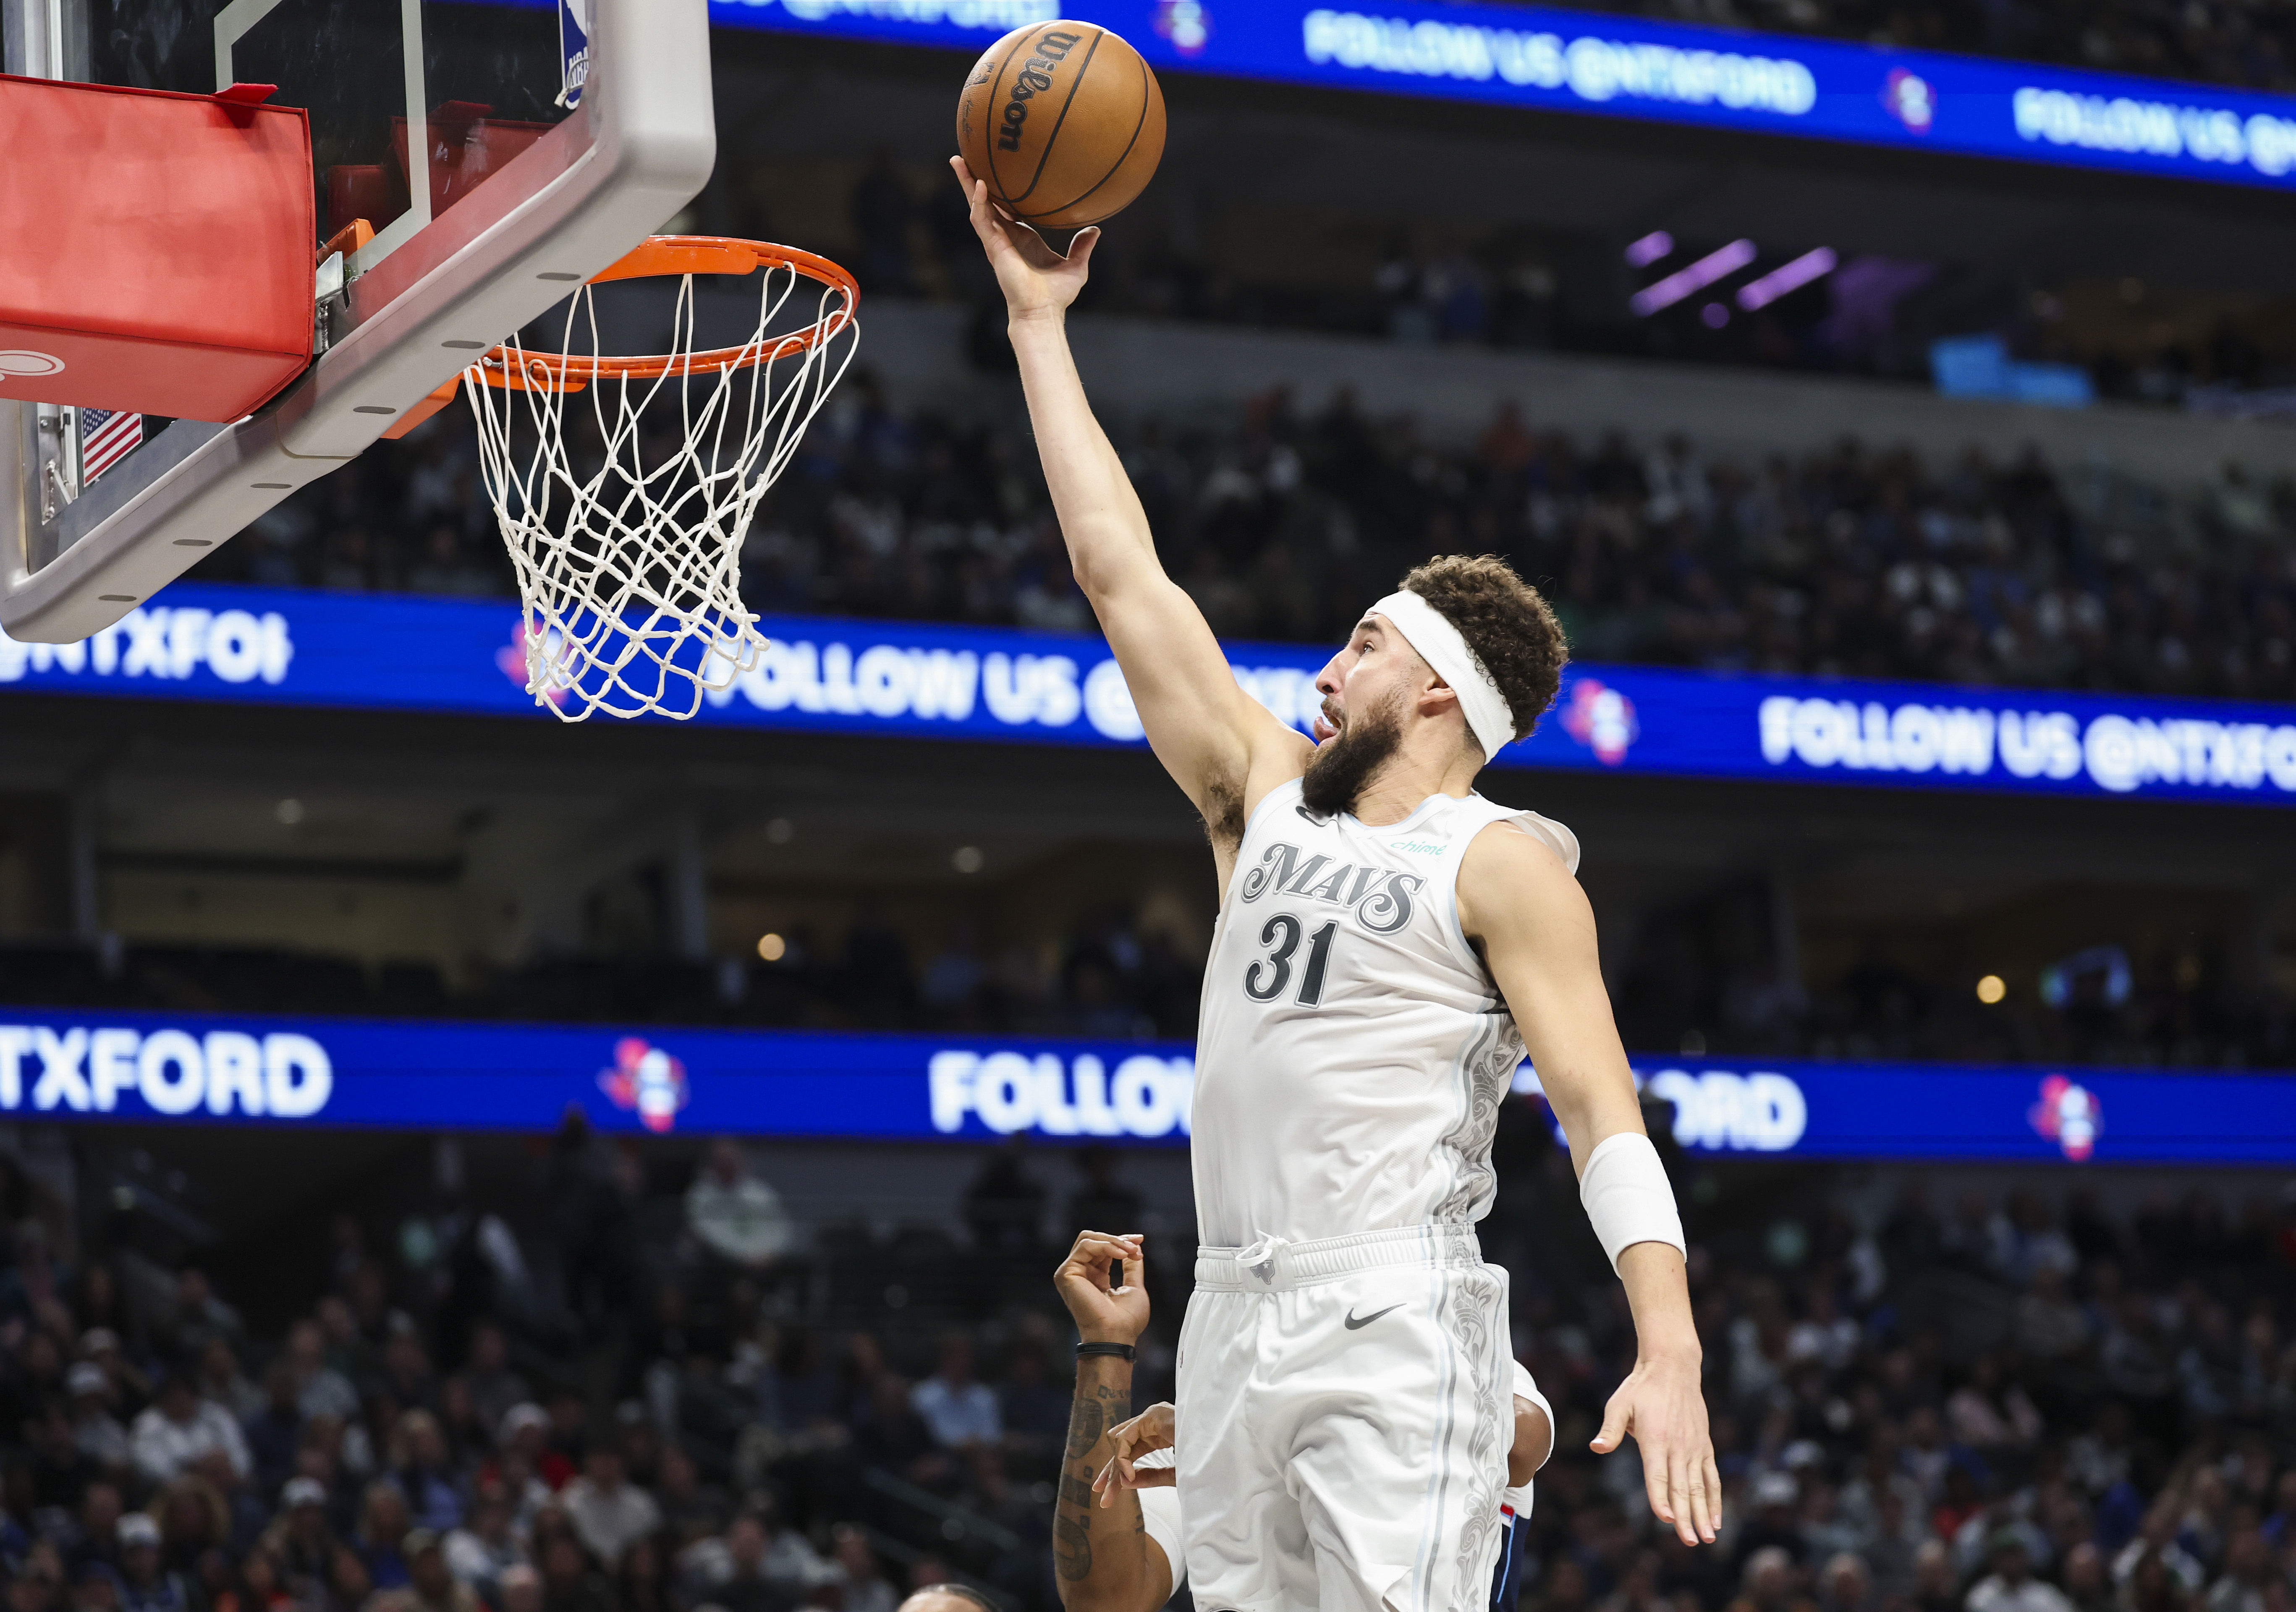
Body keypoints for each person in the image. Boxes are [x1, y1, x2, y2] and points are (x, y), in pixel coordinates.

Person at [952, 154, 1720, 1612]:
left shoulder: (1499, 865)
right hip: (1230, 1305)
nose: (1321, 667)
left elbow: (1598, 1109)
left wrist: (1665, 1339)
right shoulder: (1258, 798)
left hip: (1388, 1309)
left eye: (1362, 643)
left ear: (1436, 692)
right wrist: (1037, 327)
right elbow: (1119, 575)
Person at [1049, 1230, 1553, 1612]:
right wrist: (1106, 1343)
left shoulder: (1453, 1362)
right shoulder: (1207, 1429)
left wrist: (1259, 1441)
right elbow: (1105, 1603)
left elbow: (1522, 1438)